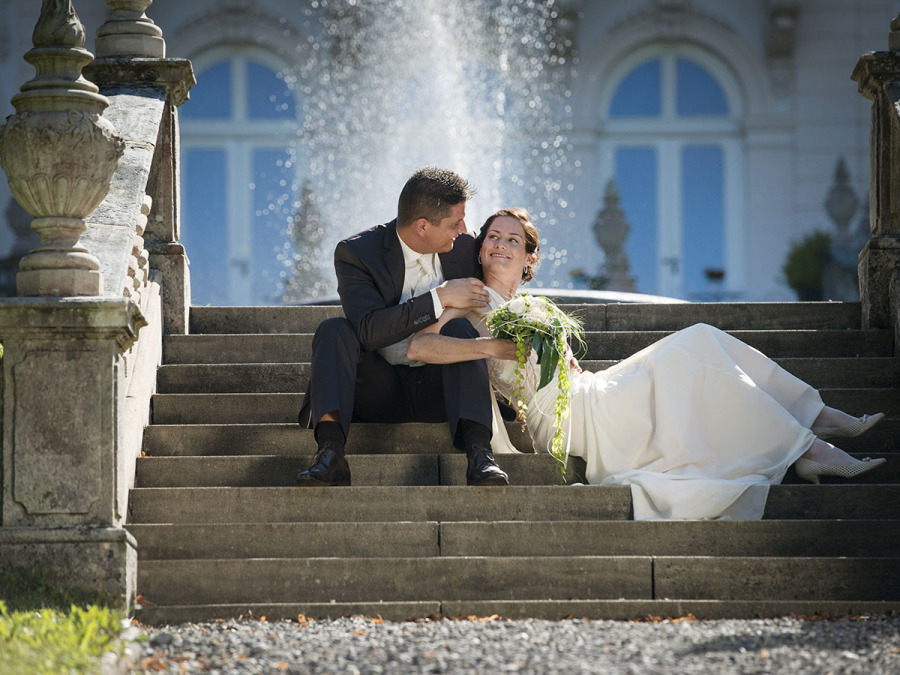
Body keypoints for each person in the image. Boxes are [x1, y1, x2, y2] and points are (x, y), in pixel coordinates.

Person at [406, 207, 887, 519]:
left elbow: (562, 362)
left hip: (587, 390)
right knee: (693, 350)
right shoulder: (468, 296)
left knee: (701, 339)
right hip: (562, 416)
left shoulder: (536, 303)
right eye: (492, 236)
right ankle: (808, 444)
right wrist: (493, 349)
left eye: (512, 239)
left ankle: (811, 422)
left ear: (529, 257)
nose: (499, 245)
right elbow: (418, 348)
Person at [296, 167, 513, 487]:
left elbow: (503, 288)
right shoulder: (357, 253)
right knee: (334, 330)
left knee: (460, 332)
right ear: (423, 226)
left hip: (442, 385)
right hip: (378, 390)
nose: (464, 229)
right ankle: (330, 454)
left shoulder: (465, 250)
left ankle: (481, 456)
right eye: (455, 223)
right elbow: (368, 330)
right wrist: (439, 298)